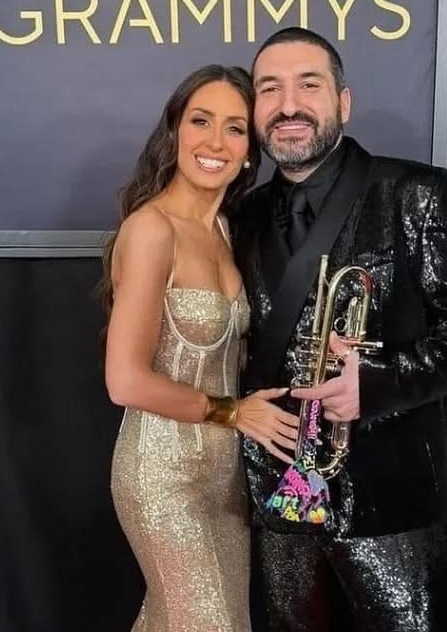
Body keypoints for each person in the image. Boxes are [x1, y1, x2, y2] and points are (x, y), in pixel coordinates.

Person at [230, 27, 447, 631]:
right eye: (269, 90)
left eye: (309, 85)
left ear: (344, 102)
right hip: (278, 496)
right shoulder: (240, 216)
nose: (288, 106)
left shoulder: (416, 194)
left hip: (392, 497)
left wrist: (380, 384)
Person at [102, 64, 300, 632]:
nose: (215, 142)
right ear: (175, 132)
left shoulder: (228, 232)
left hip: (225, 476)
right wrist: (234, 412)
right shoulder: (150, 230)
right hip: (159, 474)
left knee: (192, 620)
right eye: (201, 121)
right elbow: (125, 381)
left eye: (235, 128)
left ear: (250, 151)